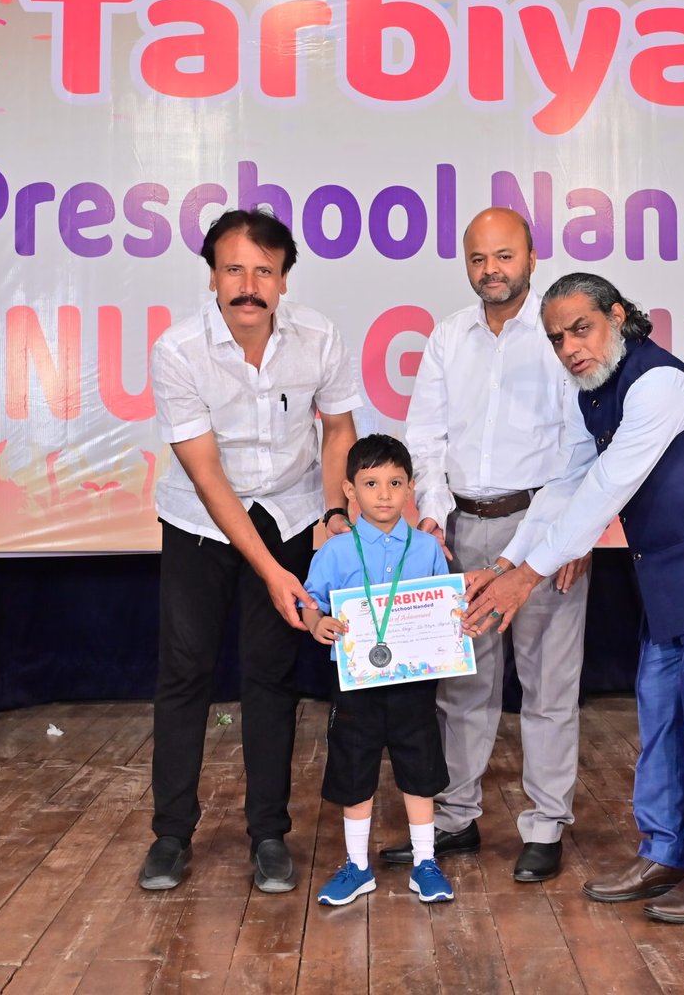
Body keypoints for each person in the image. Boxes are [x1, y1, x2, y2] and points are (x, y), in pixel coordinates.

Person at [466, 272, 684, 924]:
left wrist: (525, 578)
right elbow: (564, 485)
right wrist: (503, 563)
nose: (570, 348)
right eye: (557, 339)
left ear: (617, 317)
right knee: (660, 716)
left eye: (580, 329)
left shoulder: (659, 383)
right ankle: (665, 852)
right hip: (667, 576)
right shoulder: (592, 391)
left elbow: (605, 489)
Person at [140, 208, 360, 895]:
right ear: (211, 276)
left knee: (271, 676)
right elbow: (207, 475)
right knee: (187, 673)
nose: (248, 285)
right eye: (233, 269)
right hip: (200, 523)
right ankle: (171, 834)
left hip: (289, 512)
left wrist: (334, 513)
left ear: (283, 280)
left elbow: (339, 428)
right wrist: (272, 571)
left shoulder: (318, 336)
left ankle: (268, 832)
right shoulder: (178, 350)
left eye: (264, 271)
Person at [388, 207, 592, 882]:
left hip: (546, 530)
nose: (491, 270)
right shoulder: (449, 336)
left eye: (504, 256)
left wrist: (576, 533)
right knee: (462, 687)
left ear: (531, 257)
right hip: (463, 530)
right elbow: (425, 436)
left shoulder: (560, 334)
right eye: (478, 259)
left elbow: (583, 444)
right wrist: (433, 517)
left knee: (549, 687)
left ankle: (546, 825)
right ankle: (455, 819)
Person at [301, 435, 456, 906]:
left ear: (411, 488)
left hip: (413, 684)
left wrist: (455, 623)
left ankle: (425, 863)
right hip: (356, 686)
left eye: (395, 482)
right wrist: (316, 622)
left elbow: (445, 609)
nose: (384, 494)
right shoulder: (335, 552)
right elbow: (310, 601)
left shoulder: (427, 549)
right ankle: (357, 866)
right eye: (371, 483)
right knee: (354, 771)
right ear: (349, 490)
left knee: (419, 768)